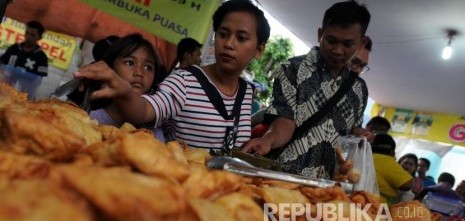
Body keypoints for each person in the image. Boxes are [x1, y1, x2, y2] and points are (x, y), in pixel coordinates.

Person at [74, 0, 270, 151]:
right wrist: (125, 91)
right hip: (177, 189)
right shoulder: (184, 81)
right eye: (223, 34)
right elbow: (144, 111)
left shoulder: (247, 92)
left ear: (259, 49)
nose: (229, 43)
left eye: (241, 38)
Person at [242, 0, 370, 179]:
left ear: (361, 42)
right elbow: (285, 121)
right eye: (331, 40)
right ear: (320, 34)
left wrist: (359, 135)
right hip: (281, 178)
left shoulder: (359, 90)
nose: (338, 50)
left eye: (347, 44)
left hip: (327, 189)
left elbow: (349, 137)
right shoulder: (293, 69)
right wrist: (268, 140)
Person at [371, 134, 413, 204]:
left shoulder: (366, 156)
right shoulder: (385, 160)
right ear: (392, 152)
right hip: (375, 205)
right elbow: (407, 184)